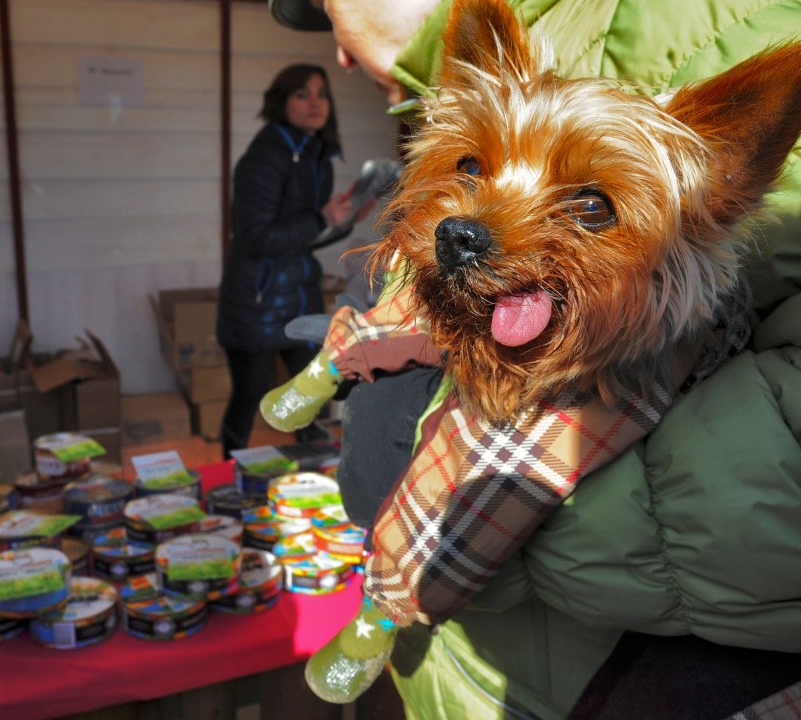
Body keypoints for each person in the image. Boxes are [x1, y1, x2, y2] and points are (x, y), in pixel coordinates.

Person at [267, 1, 801, 719]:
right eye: (471, 167)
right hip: (458, 678)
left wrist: (541, 528)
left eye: (589, 207)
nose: (474, 221)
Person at [216, 63, 359, 459]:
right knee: (247, 400)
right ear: (281, 103)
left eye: (322, 93)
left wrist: (344, 220)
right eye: (302, 94)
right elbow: (256, 237)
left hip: (298, 296)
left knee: (308, 399)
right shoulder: (266, 157)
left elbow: (306, 236)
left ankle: (312, 482)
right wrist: (321, 218)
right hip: (256, 303)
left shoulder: (315, 157)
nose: (315, 103)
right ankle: (232, 479)